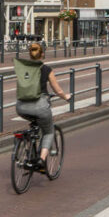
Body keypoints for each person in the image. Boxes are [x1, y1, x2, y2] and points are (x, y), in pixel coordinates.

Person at [15, 43, 71, 171]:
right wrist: (66, 97)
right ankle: (41, 160)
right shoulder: (46, 69)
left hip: (21, 106)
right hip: (39, 106)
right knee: (49, 131)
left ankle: (28, 148)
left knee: (34, 126)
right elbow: (58, 91)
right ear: (43, 54)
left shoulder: (23, 68)